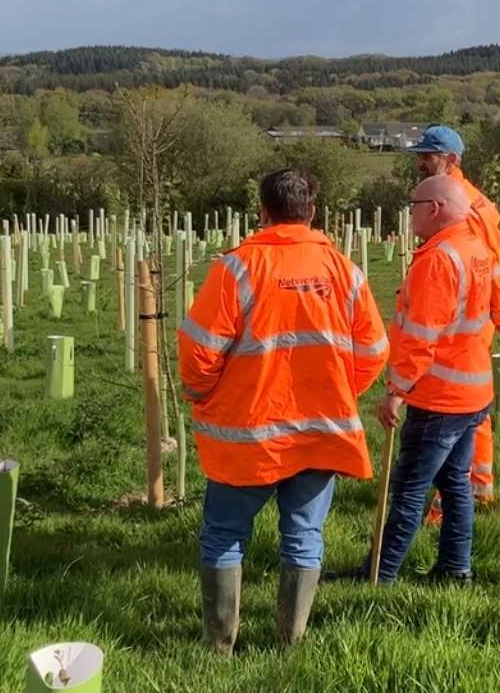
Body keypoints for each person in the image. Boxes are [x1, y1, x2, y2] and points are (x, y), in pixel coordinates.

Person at [178, 169, 388, 653]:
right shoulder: (345, 272)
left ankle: (218, 648)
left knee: (225, 535)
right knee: (304, 536)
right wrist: (338, 391)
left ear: (263, 212)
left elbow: (198, 352)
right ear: (312, 212)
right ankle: (289, 645)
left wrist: (205, 394)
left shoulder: (237, 268)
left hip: (246, 435)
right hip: (320, 432)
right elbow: (375, 348)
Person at [359, 175, 494, 584]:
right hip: (473, 390)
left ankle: (380, 574)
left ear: (433, 209)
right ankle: (456, 569)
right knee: (455, 482)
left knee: (409, 486)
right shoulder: (475, 248)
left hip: (439, 396)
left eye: (413, 204)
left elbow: (421, 337)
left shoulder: (439, 259)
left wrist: (396, 392)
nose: (410, 213)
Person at [408, 125, 500, 521]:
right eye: (419, 154)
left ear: (451, 160)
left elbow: (483, 265)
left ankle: (453, 495)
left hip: (460, 317)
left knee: (450, 409)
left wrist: (498, 312)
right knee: (473, 408)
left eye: (428, 156)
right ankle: (477, 487)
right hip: (471, 314)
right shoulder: (472, 199)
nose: (420, 162)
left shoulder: (461, 204)